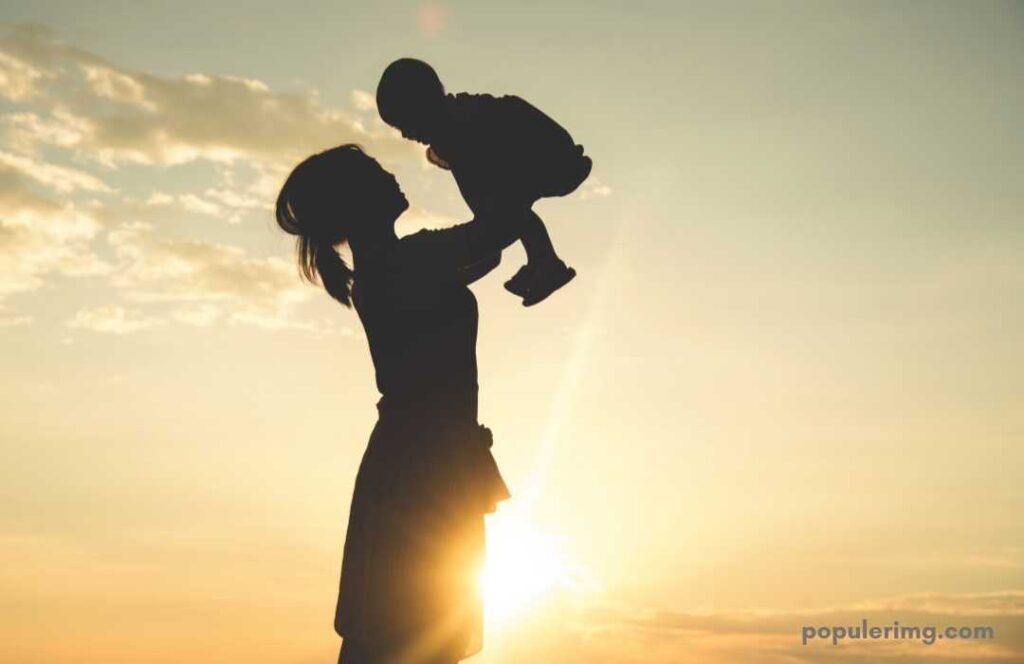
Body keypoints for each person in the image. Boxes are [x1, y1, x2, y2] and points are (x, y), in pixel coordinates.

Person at [276, 144, 523, 664]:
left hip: (422, 460)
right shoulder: (410, 261)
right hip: (423, 467)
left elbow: (493, 247)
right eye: (373, 171)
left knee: (399, 631)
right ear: (357, 199)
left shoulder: (392, 266)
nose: (390, 171)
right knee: (412, 631)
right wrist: (472, 155)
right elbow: (499, 229)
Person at [376, 57, 593, 306]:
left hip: (549, 156)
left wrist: (447, 275)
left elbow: (488, 220)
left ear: (422, 106)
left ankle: (545, 262)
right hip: (551, 152)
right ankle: (544, 261)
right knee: (506, 206)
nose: (405, 135)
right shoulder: (463, 114)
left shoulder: (457, 132)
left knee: (501, 210)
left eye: (404, 123)